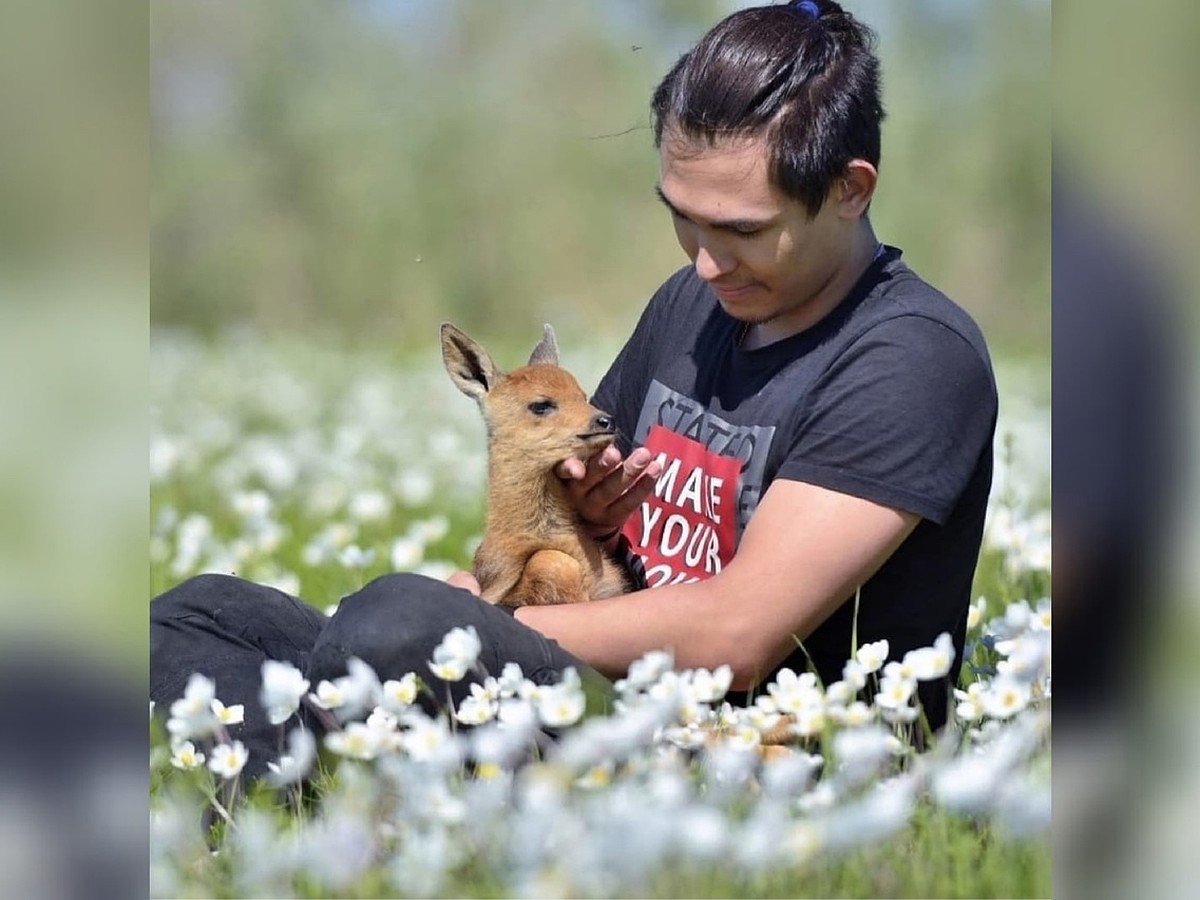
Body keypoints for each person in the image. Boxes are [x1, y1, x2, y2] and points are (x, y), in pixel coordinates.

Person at [151, 0, 996, 777]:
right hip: (582, 669)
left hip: (736, 743)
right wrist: (489, 586)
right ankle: (304, 783)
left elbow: (736, 635)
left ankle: (328, 766)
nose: (703, 261)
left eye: (741, 230)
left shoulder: (912, 359)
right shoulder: (699, 301)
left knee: (394, 631)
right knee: (200, 616)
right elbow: (566, 505)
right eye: (682, 216)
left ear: (849, 189)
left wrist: (475, 634)